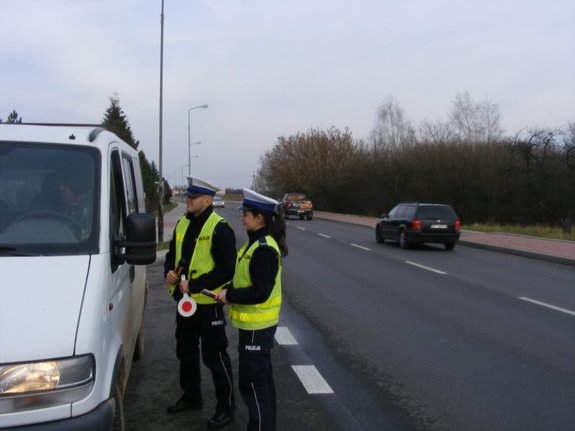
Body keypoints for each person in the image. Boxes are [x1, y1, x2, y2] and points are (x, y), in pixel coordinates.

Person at [164, 177, 236, 430]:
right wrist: (168, 272)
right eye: (187, 196)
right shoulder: (183, 222)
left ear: (207, 201)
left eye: (193, 197)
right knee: (185, 352)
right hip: (185, 303)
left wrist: (195, 285)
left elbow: (227, 270)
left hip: (207, 303)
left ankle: (226, 408)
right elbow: (172, 254)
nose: (188, 200)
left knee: (214, 356)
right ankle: (192, 396)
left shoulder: (220, 228)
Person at [214, 188, 288, 431]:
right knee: (262, 382)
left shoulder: (264, 249)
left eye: (246, 213)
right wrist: (227, 290)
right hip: (253, 327)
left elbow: (260, 291)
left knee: (253, 385)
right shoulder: (255, 244)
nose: (243, 217)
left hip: (258, 327)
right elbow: (245, 280)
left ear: (260, 218)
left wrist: (230, 295)